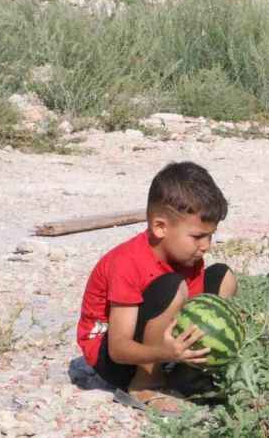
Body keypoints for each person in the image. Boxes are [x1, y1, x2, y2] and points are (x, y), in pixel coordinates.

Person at [76, 161, 237, 413]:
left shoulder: (188, 257)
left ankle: (190, 373)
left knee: (223, 276)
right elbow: (118, 348)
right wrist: (163, 352)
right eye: (197, 236)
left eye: (210, 235)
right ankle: (146, 384)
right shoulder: (127, 263)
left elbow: (193, 311)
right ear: (160, 227)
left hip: (161, 348)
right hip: (113, 357)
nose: (206, 245)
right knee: (173, 287)